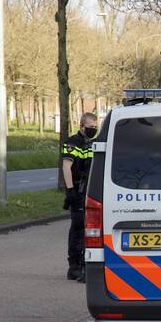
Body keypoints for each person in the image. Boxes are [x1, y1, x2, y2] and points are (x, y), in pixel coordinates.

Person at [62, 112, 98, 282]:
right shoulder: (73, 142)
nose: (93, 129)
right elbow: (66, 166)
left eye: (95, 127)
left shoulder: (92, 143)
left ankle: (85, 264)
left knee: (88, 228)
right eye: (90, 127)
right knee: (77, 228)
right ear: (82, 126)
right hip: (77, 189)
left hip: (90, 190)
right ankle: (74, 266)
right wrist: (70, 192)